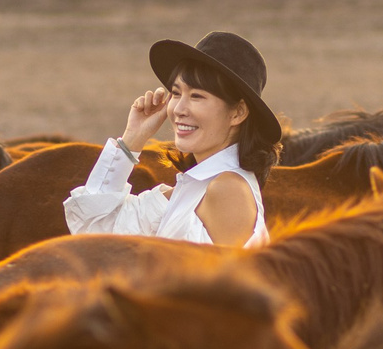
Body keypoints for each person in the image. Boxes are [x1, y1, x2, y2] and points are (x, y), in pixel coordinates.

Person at [64, 30, 281, 248]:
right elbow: (94, 229)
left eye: (197, 96)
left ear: (238, 113)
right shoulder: (191, 190)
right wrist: (132, 138)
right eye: (176, 94)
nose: (178, 109)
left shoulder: (228, 189)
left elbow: (223, 282)